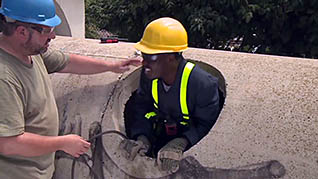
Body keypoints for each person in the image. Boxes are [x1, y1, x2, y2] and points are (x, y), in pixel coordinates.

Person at [0, 0, 141, 178]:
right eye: (47, 30)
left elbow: (67, 62)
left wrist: (112, 66)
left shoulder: (29, 52)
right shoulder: (5, 77)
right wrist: (62, 143)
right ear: (21, 32)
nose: (53, 36)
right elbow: (8, 142)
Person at [121, 17, 225, 172]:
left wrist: (182, 142)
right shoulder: (149, 75)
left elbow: (206, 125)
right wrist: (142, 137)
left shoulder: (203, 84)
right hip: (161, 134)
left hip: (189, 141)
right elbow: (141, 109)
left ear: (170, 56)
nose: (144, 63)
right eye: (143, 55)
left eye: (150, 57)